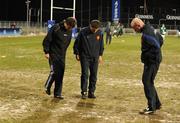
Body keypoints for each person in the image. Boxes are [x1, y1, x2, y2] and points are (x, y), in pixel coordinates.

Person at [131, 18, 163, 114]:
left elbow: (157, 45)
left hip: (152, 61)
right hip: (154, 60)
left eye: (134, 28)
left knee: (147, 81)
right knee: (149, 81)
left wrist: (148, 56)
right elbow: (161, 40)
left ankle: (151, 107)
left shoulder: (146, 34)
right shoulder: (151, 28)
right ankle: (156, 103)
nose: (135, 31)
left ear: (138, 25)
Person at [42, 17, 76, 99]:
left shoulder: (70, 30)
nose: (70, 29)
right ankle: (47, 86)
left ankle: (57, 93)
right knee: (54, 72)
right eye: (69, 27)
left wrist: (63, 51)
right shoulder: (56, 27)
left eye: (71, 28)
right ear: (66, 23)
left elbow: (68, 42)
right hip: (53, 54)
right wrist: (46, 52)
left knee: (61, 74)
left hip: (62, 55)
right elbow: (47, 40)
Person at [73, 20, 104, 99]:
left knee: (94, 75)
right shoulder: (83, 32)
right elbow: (77, 43)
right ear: (90, 26)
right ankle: (84, 92)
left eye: (96, 29)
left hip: (95, 57)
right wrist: (77, 53)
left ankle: (91, 92)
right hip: (85, 57)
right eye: (93, 29)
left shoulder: (100, 33)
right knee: (85, 74)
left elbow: (101, 44)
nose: (95, 30)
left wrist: (100, 55)